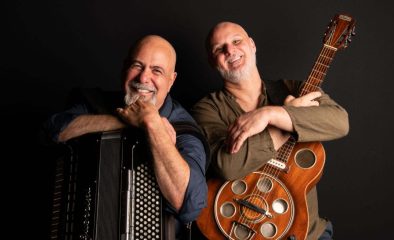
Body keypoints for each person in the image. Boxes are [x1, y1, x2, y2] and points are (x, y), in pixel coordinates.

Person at [191, 22, 349, 239]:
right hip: (243, 228)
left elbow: (339, 122)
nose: (230, 51)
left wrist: (271, 115)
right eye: (220, 48)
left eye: (237, 41)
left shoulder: (295, 90)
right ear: (212, 61)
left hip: (307, 234)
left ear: (252, 45)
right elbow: (227, 166)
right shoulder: (207, 110)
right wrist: (284, 125)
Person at [43, 35, 208, 238]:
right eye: (137, 66)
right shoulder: (94, 102)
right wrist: (128, 121)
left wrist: (153, 124)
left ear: (171, 80)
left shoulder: (185, 130)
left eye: (157, 70)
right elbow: (53, 130)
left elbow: (190, 205)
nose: (143, 78)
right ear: (124, 68)